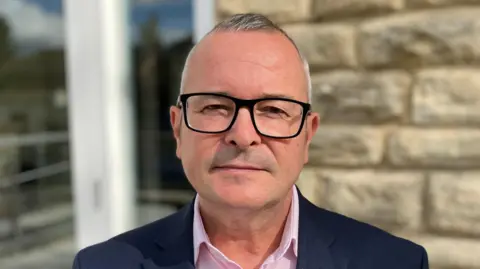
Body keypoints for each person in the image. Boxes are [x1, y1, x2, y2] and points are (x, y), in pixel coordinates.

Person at [72, 13, 429, 269]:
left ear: (307, 135)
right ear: (178, 130)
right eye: (214, 106)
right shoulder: (101, 264)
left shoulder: (395, 262)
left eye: (273, 110)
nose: (243, 135)